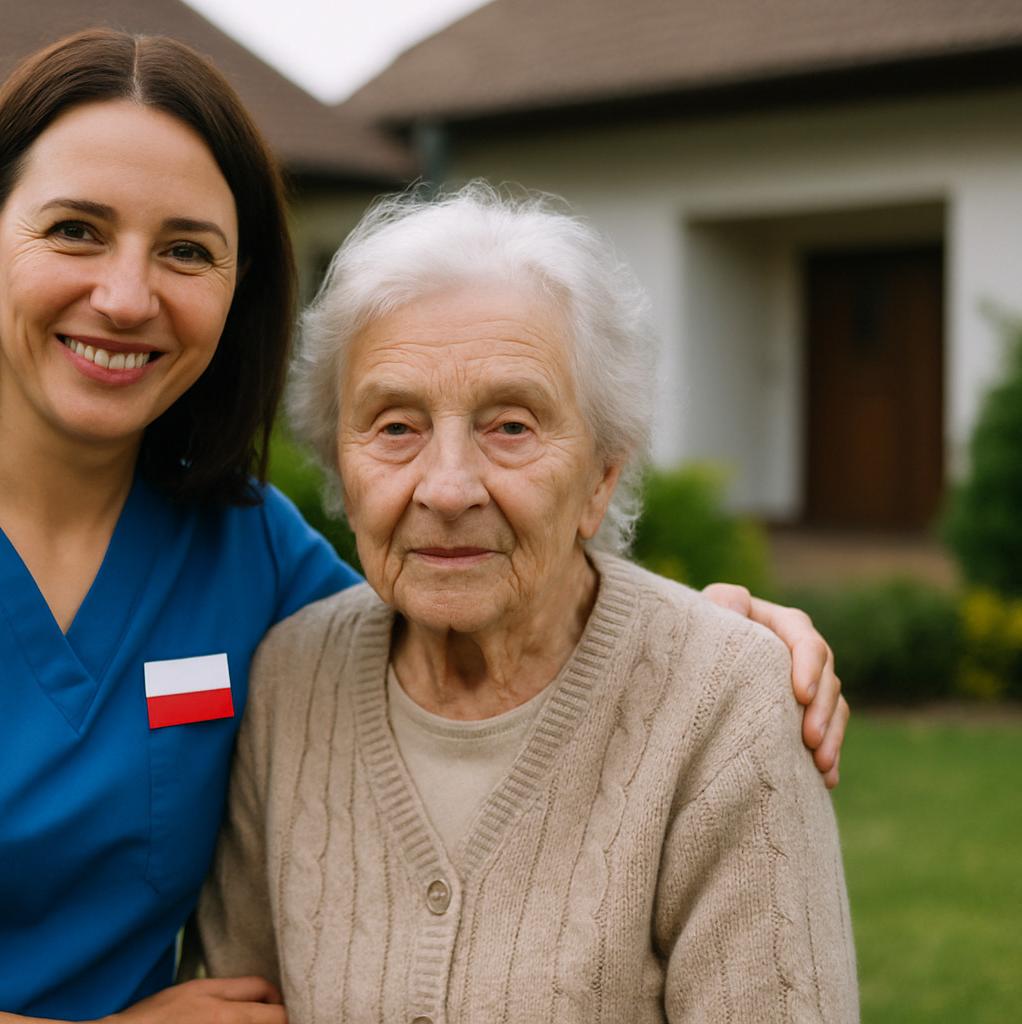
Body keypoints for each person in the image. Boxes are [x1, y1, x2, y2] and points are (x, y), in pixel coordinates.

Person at [0, 30, 846, 1024]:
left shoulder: (247, 557)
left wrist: (718, 639)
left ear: (234, 289)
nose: (125, 294)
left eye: (186, 250)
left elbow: (468, 571)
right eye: (75, 230)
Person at [196, 186, 859, 1022]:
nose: (446, 487)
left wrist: (721, 663)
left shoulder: (726, 707)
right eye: (395, 426)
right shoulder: (290, 680)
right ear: (341, 469)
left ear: (602, 476)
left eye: (510, 426)